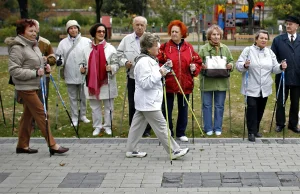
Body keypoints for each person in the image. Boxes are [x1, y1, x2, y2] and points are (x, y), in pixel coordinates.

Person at [5, 19, 69, 155]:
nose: (34, 33)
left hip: (34, 85)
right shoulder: (17, 47)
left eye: (35, 30)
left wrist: (45, 68)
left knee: (28, 116)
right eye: (30, 31)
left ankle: (22, 145)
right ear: (22, 32)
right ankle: (52, 145)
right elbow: (14, 70)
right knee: (41, 113)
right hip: (24, 86)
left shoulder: (32, 45)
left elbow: (35, 63)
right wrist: (35, 73)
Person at [125, 32, 189, 159]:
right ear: (148, 48)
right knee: (162, 127)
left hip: (146, 102)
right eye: (156, 46)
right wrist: (161, 73)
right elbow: (145, 82)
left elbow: (155, 74)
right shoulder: (144, 62)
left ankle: (131, 150)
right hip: (149, 102)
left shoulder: (150, 60)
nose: (159, 48)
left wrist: (166, 68)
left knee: (136, 126)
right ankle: (174, 150)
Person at [236, 30, 287, 142]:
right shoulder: (248, 50)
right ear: (256, 39)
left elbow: (274, 68)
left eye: (266, 38)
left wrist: (281, 66)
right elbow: (238, 66)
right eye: (261, 38)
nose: (264, 40)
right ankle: (251, 131)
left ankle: (256, 129)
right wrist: (244, 65)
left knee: (260, 109)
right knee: (252, 108)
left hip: (265, 87)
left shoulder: (269, 52)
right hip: (251, 86)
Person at [157, 20, 202, 142]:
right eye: (172, 31)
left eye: (176, 31)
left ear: (182, 33)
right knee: (167, 109)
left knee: (183, 108)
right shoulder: (164, 47)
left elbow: (198, 61)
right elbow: (158, 62)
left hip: (184, 83)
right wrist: (165, 66)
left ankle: (181, 132)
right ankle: (168, 132)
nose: (174, 34)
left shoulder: (189, 47)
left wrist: (194, 67)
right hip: (169, 83)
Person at [82, 23, 120, 136]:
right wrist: (82, 68)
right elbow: (82, 62)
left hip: (106, 81)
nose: (101, 33)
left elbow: (116, 64)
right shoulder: (86, 49)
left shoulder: (110, 48)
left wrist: (111, 67)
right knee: (95, 107)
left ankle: (108, 126)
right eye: (99, 31)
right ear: (94, 33)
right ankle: (97, 126)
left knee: (108, 107)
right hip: (92, 82)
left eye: (103, 32)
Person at [117, 16, 152, 137]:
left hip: (147, 78)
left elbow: (158, 54)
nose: (139, 27)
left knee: (147, 103)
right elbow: (119, 54)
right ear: (133, 25)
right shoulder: (127, 39)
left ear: (145, 26)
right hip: (132, 77)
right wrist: (124, 62)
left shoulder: (150, 38)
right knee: (133, 104)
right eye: (137, 24)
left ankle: (147, 129)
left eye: (142, 25)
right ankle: (134, 128)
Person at [198, 24, 234, 136]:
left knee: (219, 106)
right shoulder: (203, 49)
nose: (216, 36)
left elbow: (231, 61)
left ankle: (218, 127)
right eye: (214, 34)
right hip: (207, 82)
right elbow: (197, 63)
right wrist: (201, 66)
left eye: (218, 34)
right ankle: (208, 127)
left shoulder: (225, 49)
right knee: (207, 105)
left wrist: (230, 65)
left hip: (221, 83)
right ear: (209, 36)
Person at [55, 20, 91, 127]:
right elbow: (59, 56)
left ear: (78, 29)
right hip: (69, 73)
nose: (73, 30)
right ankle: (74, 117)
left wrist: (87, 66)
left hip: (83, 74)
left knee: (83, 96)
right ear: (68, 30)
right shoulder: (63, 43)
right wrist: (59, 61)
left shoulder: (86, 41)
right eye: (71, 28)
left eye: (75, 27)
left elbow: (90, 56)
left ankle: (83, 115)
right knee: (73, 97)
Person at [271, 16, 300, 133]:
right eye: (287, 24)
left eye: (291, 24)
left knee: (295, 103)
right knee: (281, 102)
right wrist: (279, 65)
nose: (288, 26)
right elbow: (272, 58)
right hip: (282, 76)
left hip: (298, 78)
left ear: (297, 26)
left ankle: (293, 124)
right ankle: (280, 123)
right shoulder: (278, 40)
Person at [33, 20, 56, 110]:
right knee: (29, 101)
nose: (33, 30)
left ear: (38, 29)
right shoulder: (23, 43)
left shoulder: (45, 42)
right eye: (31, 28)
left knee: (42, 98)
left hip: (43, 76)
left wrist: (47, 59)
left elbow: (53, 58)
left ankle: (43, 119)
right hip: (28, 76)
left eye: (35, 28)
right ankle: (31, 121)